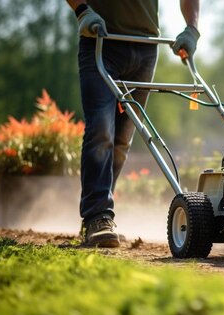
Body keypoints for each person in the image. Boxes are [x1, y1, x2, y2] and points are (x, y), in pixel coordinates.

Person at [66, 0, 201, 247]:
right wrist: (82, 11)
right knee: (101, 130)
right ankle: (97, 216)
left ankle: (99, 216)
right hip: (100, 40)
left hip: (146, 47)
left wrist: (191, 29)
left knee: (122, 140)